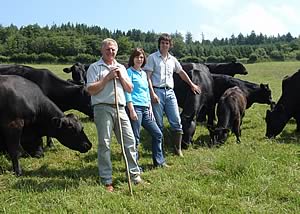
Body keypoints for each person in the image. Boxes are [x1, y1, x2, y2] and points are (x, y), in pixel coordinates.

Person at [86, 38, 142, 192]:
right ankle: (106, 179)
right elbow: (90, 90)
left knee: (129, 141)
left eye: (113, 49)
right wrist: (107, 78)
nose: (110, 52)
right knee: (105, 143)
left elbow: (130, 89)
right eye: (107, 49)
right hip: (103, 108)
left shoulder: (121, 67)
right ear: (102, 50)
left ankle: (135, 176)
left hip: (121, 108)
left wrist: (121, 77)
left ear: (116, 51)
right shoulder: (94, 67)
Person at [144, 33, 201, 157]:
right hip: (157, 91)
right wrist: (152, 93)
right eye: (162, 43)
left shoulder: (172, 60)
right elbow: (147, 77)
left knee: (176, 121)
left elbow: (181, 73)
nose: (165, 45)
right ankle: (160, 151)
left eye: (167, 43)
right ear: (159, 44)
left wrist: (192, 85)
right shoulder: (152, 58)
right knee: (158, 123)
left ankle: (177, 149)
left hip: (170, 92)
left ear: (170, 45)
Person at [125, 48, 168, 169]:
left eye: (142, 57)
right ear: (132, 58)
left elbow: (146, 91)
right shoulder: (129, 72)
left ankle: (159, 161)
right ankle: (135, 166)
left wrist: (150, 107)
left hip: (146, 108)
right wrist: (131, 109)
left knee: (158, 134)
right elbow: (127, 92)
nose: (139, 59)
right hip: (135, 108)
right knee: (135, 138)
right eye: (137, 57)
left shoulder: (143, 73)